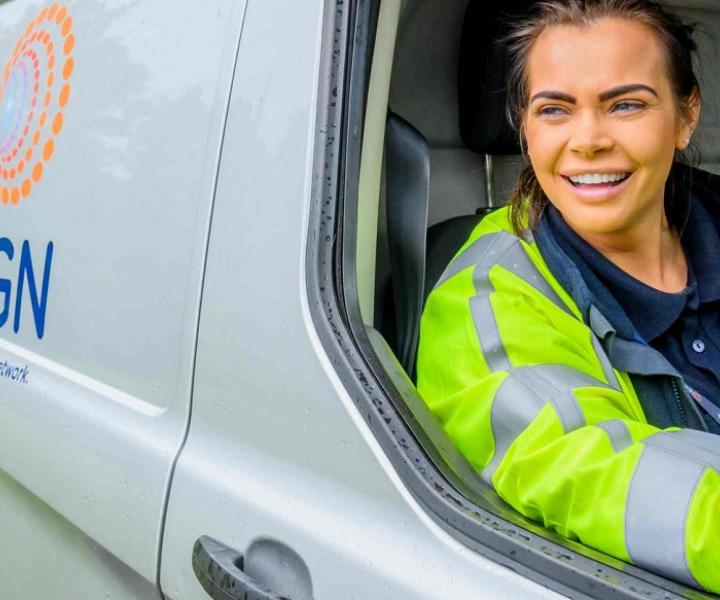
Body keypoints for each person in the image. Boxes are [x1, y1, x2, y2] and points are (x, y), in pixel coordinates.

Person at [416, 0, 720, 593]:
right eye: (554, 110)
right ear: (525, 130)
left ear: (686, 116)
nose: (587, 141)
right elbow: (586, 466)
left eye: (626, 104)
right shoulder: (488, 290)